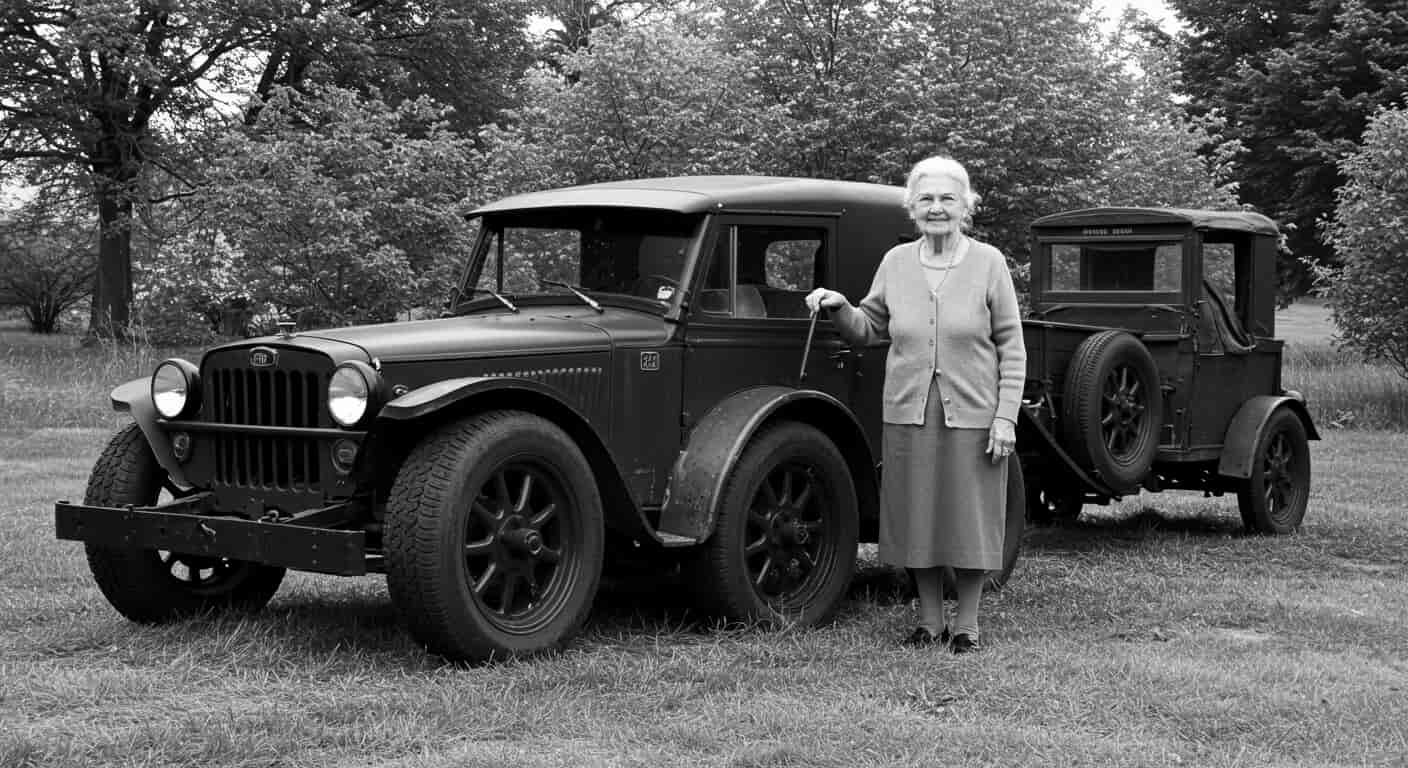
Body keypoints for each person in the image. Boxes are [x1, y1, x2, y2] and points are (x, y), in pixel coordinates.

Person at [805, 155, 1025, 654]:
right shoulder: (896, 263)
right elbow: (869, 328)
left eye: (948, 198)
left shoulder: (989, 263)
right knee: (916, 518)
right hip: (908, 413)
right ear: (912, 207)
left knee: (970, 520)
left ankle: (966, 626)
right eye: (926, 198)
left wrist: (1005, 417)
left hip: (974, 414)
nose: (937, 208)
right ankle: (928, 622)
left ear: (966, 206)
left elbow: (1012, 347)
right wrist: (840, 306)